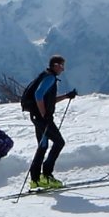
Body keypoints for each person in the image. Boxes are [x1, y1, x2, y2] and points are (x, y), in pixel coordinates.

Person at [27, 55, 77, 189]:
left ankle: (35, 179)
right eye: (61, 65)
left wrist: (66, 96)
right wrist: (45, 114)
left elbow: (46, 99)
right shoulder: (50, 78)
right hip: (42, 118)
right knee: (59, 142)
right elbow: (38, 95)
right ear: (55, 65)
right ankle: (47, 176)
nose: (63, 69)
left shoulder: (45, 76)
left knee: (43, 146)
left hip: (36, 117)